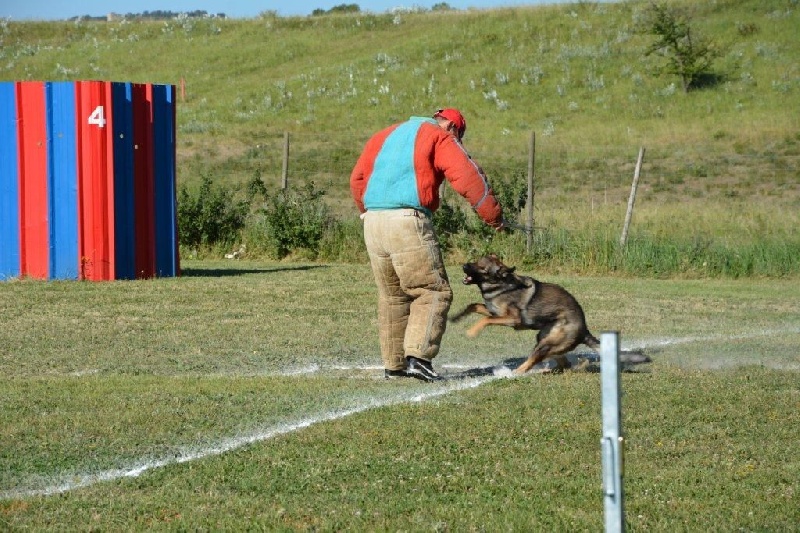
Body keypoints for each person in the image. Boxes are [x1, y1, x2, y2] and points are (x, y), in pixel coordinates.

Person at [350, 108, 505, 382]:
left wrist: (366, 209)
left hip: (372, 221)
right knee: (433, 291)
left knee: (393, 296)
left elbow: (358, 178)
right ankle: (419, 358)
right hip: (406, 221)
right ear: (452, 127)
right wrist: (493, 216)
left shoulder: (384, 134)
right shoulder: (439, 136)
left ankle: (394, 366)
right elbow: (466, 174)